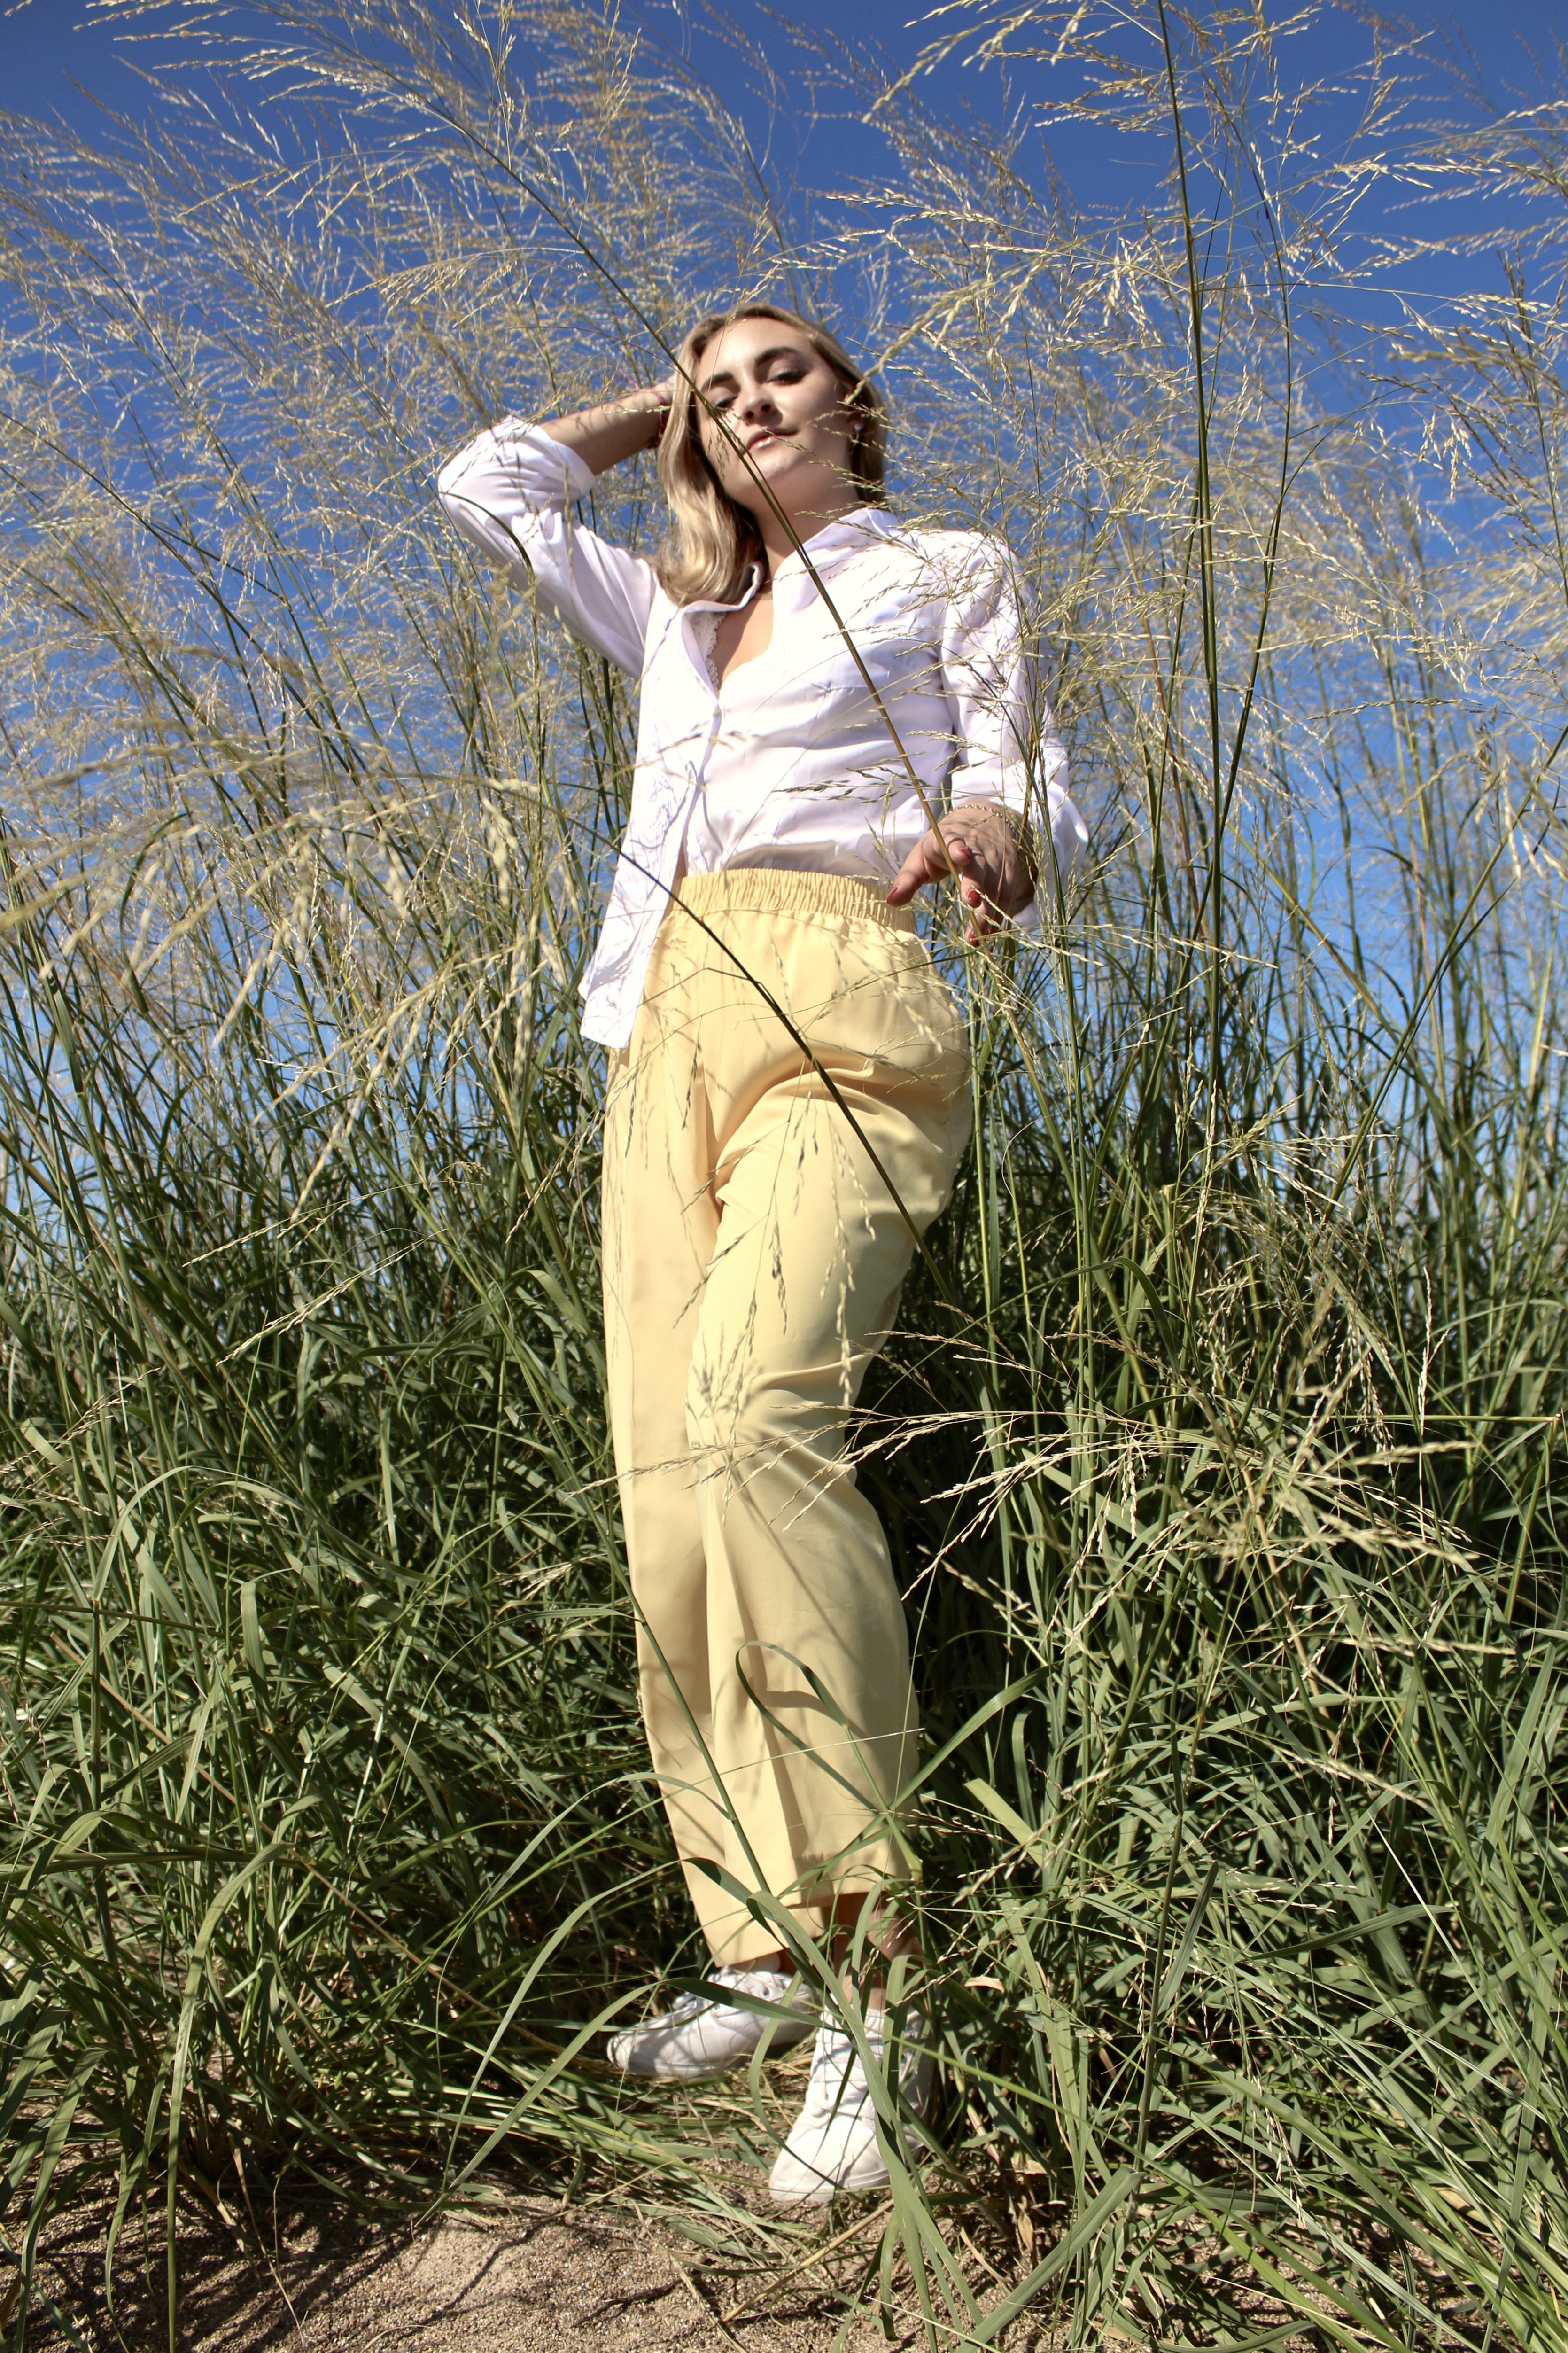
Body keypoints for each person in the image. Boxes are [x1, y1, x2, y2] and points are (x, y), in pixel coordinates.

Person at [437, 302, 1084, 2203]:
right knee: (668, 1489)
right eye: (721, 389)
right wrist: (667, 419)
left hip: (848, 988)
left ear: (853, 399)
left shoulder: (951, 566)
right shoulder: (682, 613)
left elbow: (1027, 773)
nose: (746, 400)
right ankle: (756, 1944)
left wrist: (987, 822)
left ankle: (880, 1976)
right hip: (661, 1026)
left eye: (779, 368)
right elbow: (491, 483)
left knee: (753, 1424)